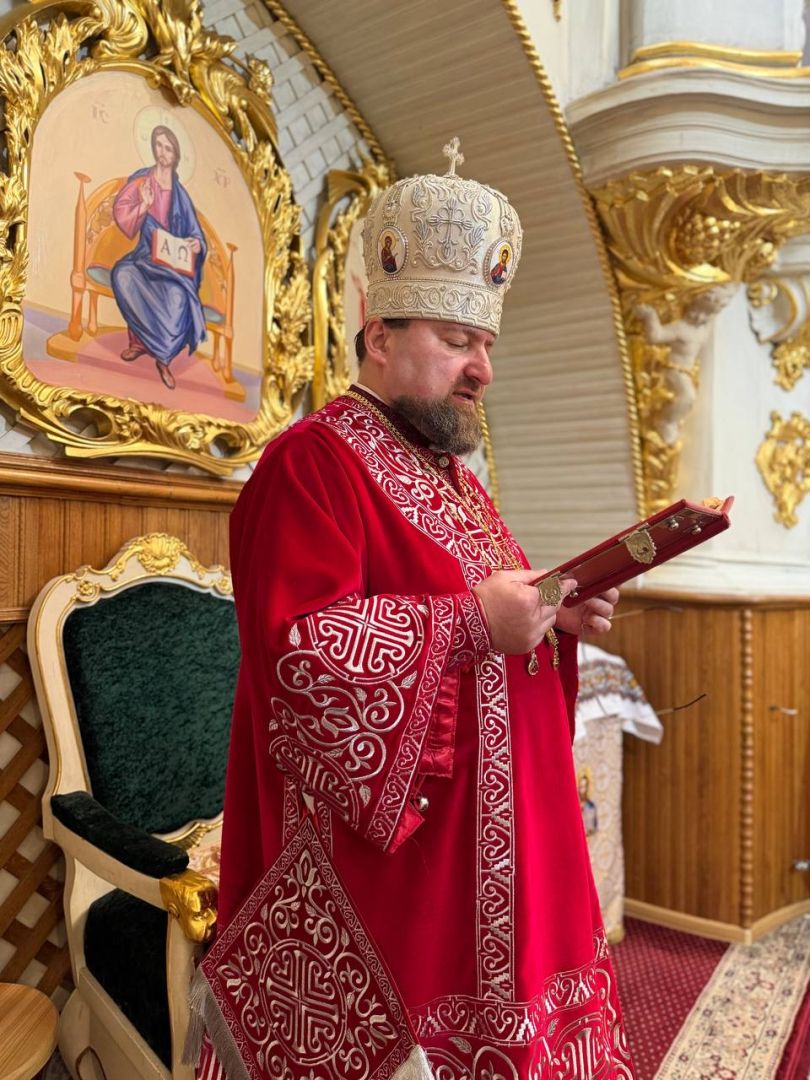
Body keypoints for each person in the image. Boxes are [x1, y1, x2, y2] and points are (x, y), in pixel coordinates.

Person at [207, 141, 635, 1078]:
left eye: (487, 345)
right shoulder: (310, 463)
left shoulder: (454, 480)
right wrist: (474, 624)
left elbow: (486, 608)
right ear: (379, 336)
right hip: (399, 877)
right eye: (455, 340)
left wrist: (553, 613)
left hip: (500, 846)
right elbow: (298, 654)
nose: (482, 368)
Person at [111, 125, 207, 390]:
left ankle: (163, 358)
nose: (163, 152)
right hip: (144, 258)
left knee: (177, 297)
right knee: (123, 275)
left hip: (173, 267)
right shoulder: (142, 181)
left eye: (168, 148)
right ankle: (139, 344)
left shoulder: (181, 196)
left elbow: (195, 233)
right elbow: (122, 214)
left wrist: (196, 244)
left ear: (176, 155)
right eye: (159, 145)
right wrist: (143, 204)